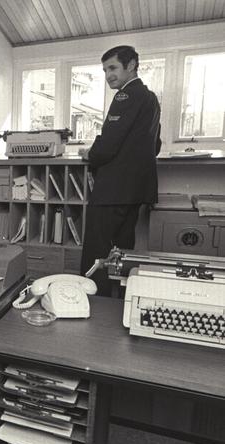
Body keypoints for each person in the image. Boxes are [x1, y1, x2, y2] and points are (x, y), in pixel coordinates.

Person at [79, 45, 161, 296]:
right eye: (105, 70)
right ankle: (118, 302)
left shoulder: (126, 95)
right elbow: (155, 144)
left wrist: (90, 154)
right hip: (135, 190)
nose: (108, 75)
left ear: (132, 64)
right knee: (123, 249)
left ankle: (93, 302)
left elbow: (109, 143)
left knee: (97, 250)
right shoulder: (150, 97)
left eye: (113, 68)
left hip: (113, 190)